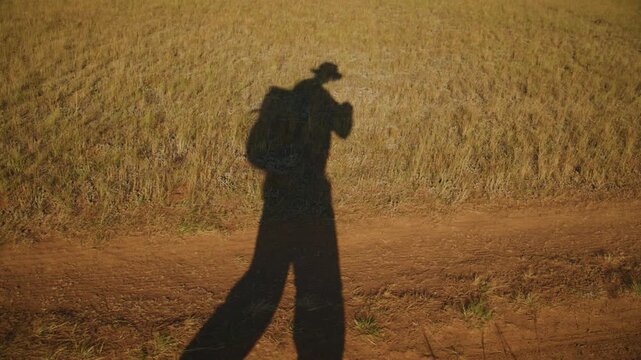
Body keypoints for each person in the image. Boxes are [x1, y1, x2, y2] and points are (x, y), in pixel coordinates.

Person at [182, 62, 352, 360]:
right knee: (311, 291)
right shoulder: (322, 98)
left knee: (263, 281)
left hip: (278, 193)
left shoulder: (295, 97)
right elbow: (344, 130)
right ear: (328, 79)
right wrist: (347, 110)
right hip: (309, 188)